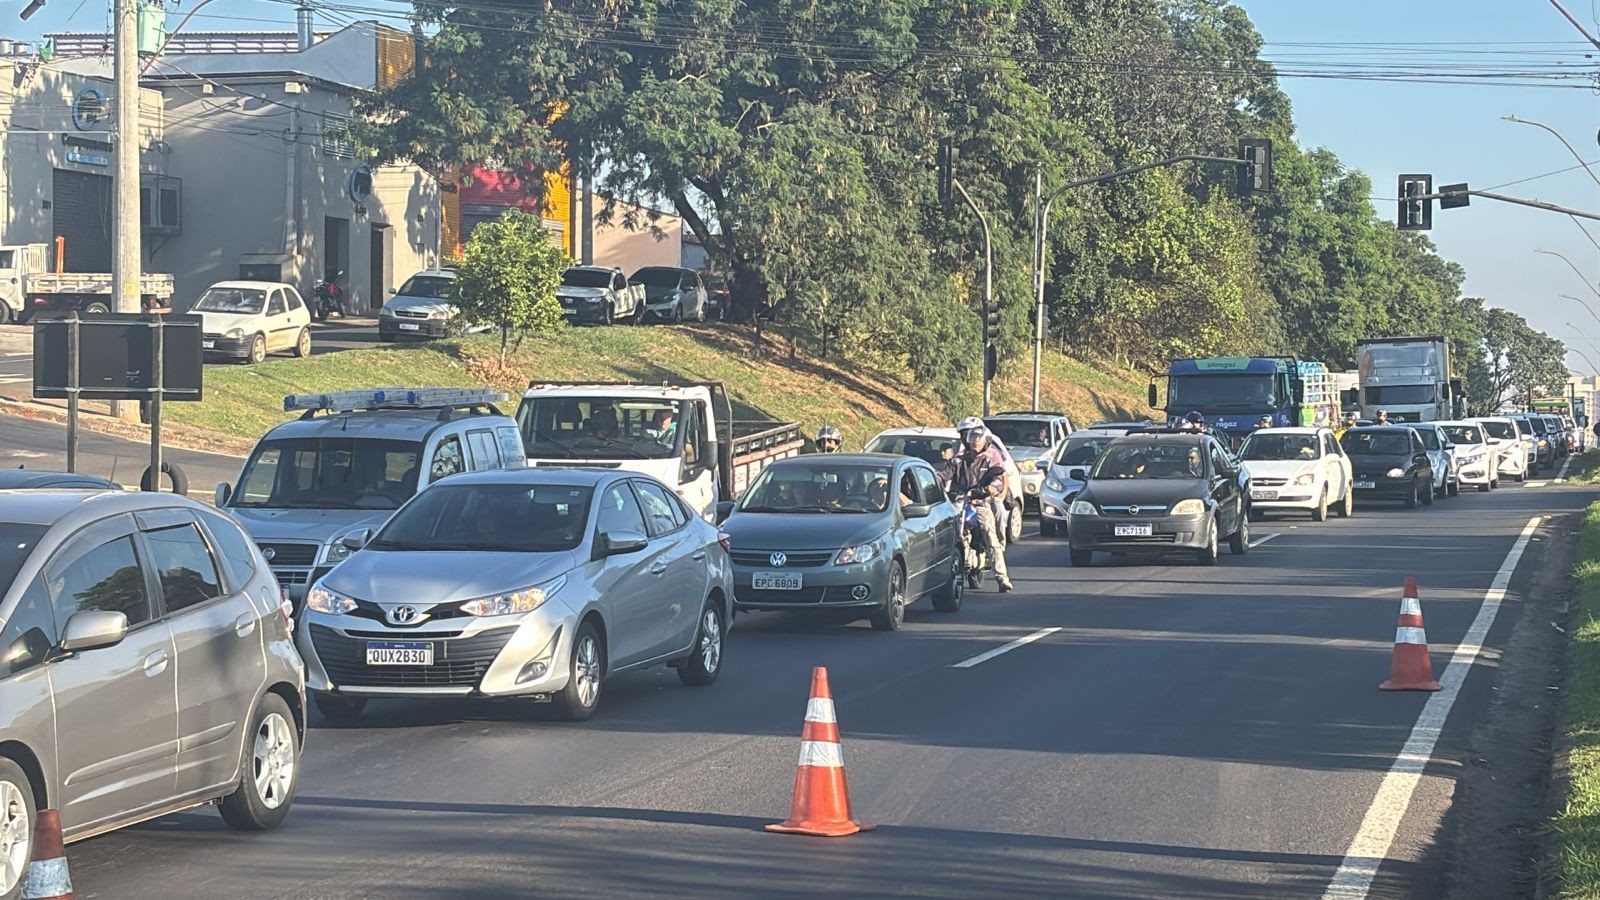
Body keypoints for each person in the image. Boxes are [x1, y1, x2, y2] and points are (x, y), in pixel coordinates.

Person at [938, 424, 1013, 592]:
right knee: (945, 533)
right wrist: (933, 480)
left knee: (989, 534)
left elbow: (998, 478)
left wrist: (990, 489)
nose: (975, 441)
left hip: (980, 504)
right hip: (959, 503)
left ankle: (1002, 577)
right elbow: (944, 476)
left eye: (979, 439)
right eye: (973, 438)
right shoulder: (958, 460)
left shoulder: (990, 459)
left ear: (986, 441)